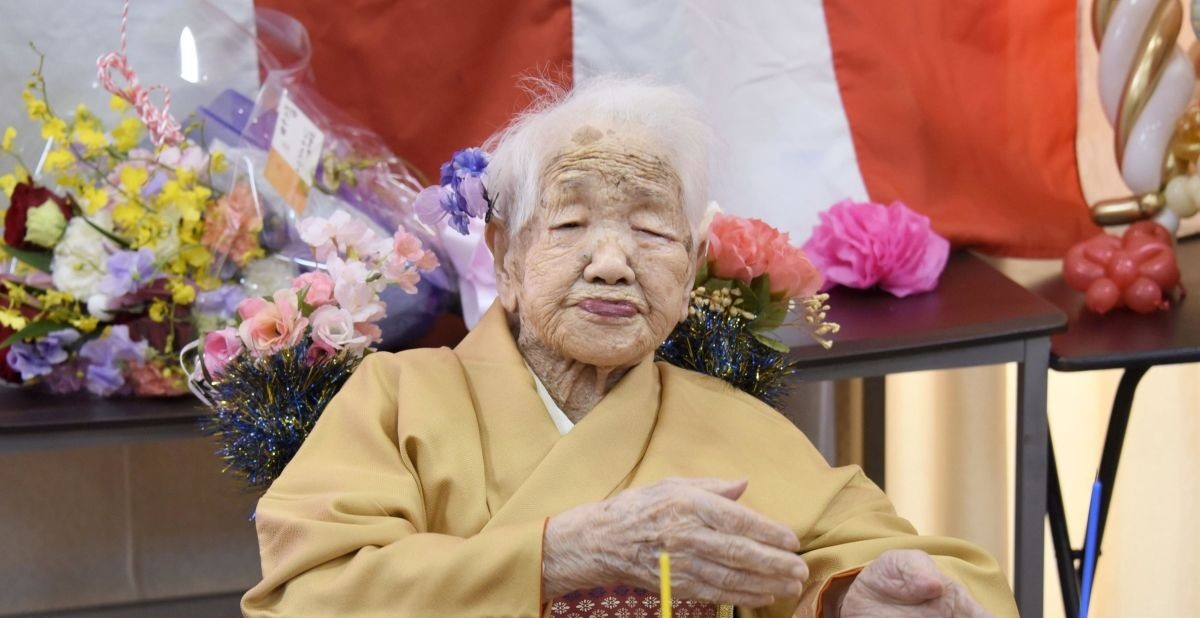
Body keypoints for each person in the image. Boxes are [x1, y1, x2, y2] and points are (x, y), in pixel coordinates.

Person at [241, 77, 1016, 618]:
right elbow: (308, 597)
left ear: (688, 267)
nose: (613, 261)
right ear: (507, 257)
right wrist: (560, 554)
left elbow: (908, 565)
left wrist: (863, 598)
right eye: (572, 225)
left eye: (650, 230)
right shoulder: (397, 397)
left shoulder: (734, 427)